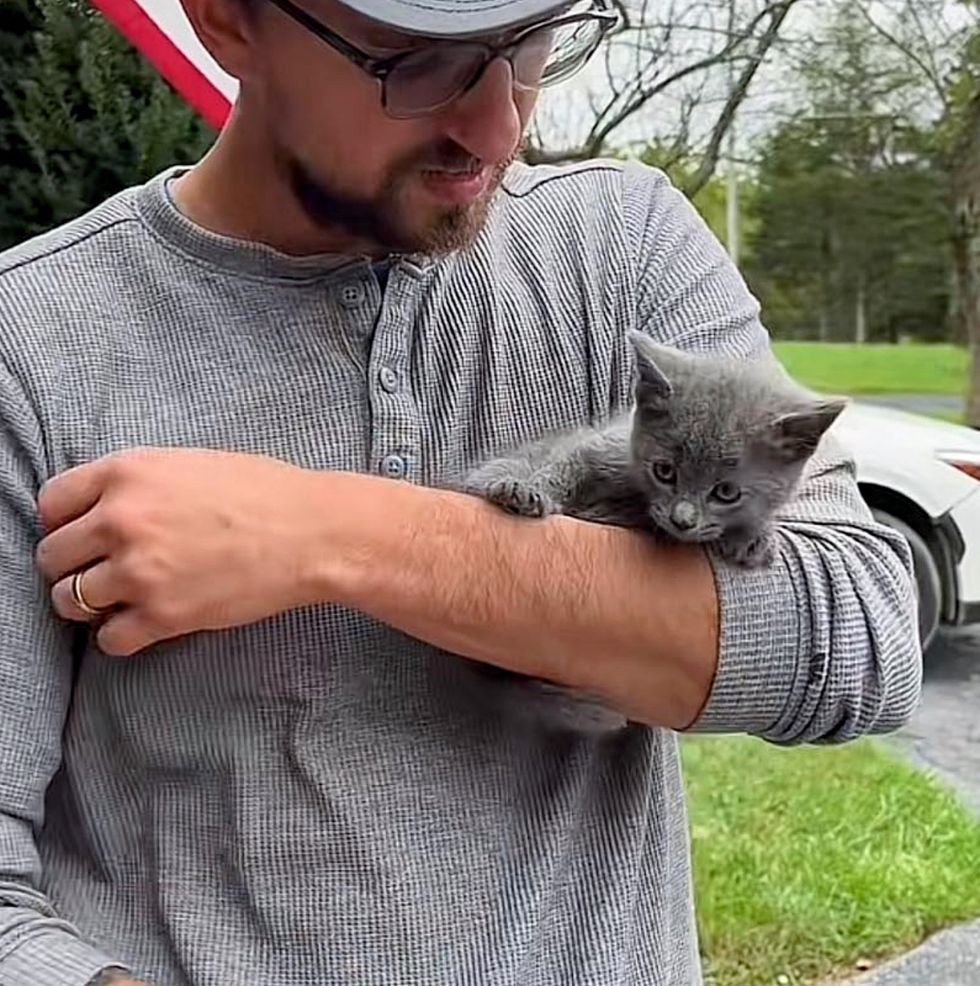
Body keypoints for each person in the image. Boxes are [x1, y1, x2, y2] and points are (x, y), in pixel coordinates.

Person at [0, 0, 922, 983]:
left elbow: (856, 645)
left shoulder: (621, 240)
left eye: (530, 45)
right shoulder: (34, 337)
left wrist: (337, 534)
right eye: (414, 60)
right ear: (226, 21)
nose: (496, 125)